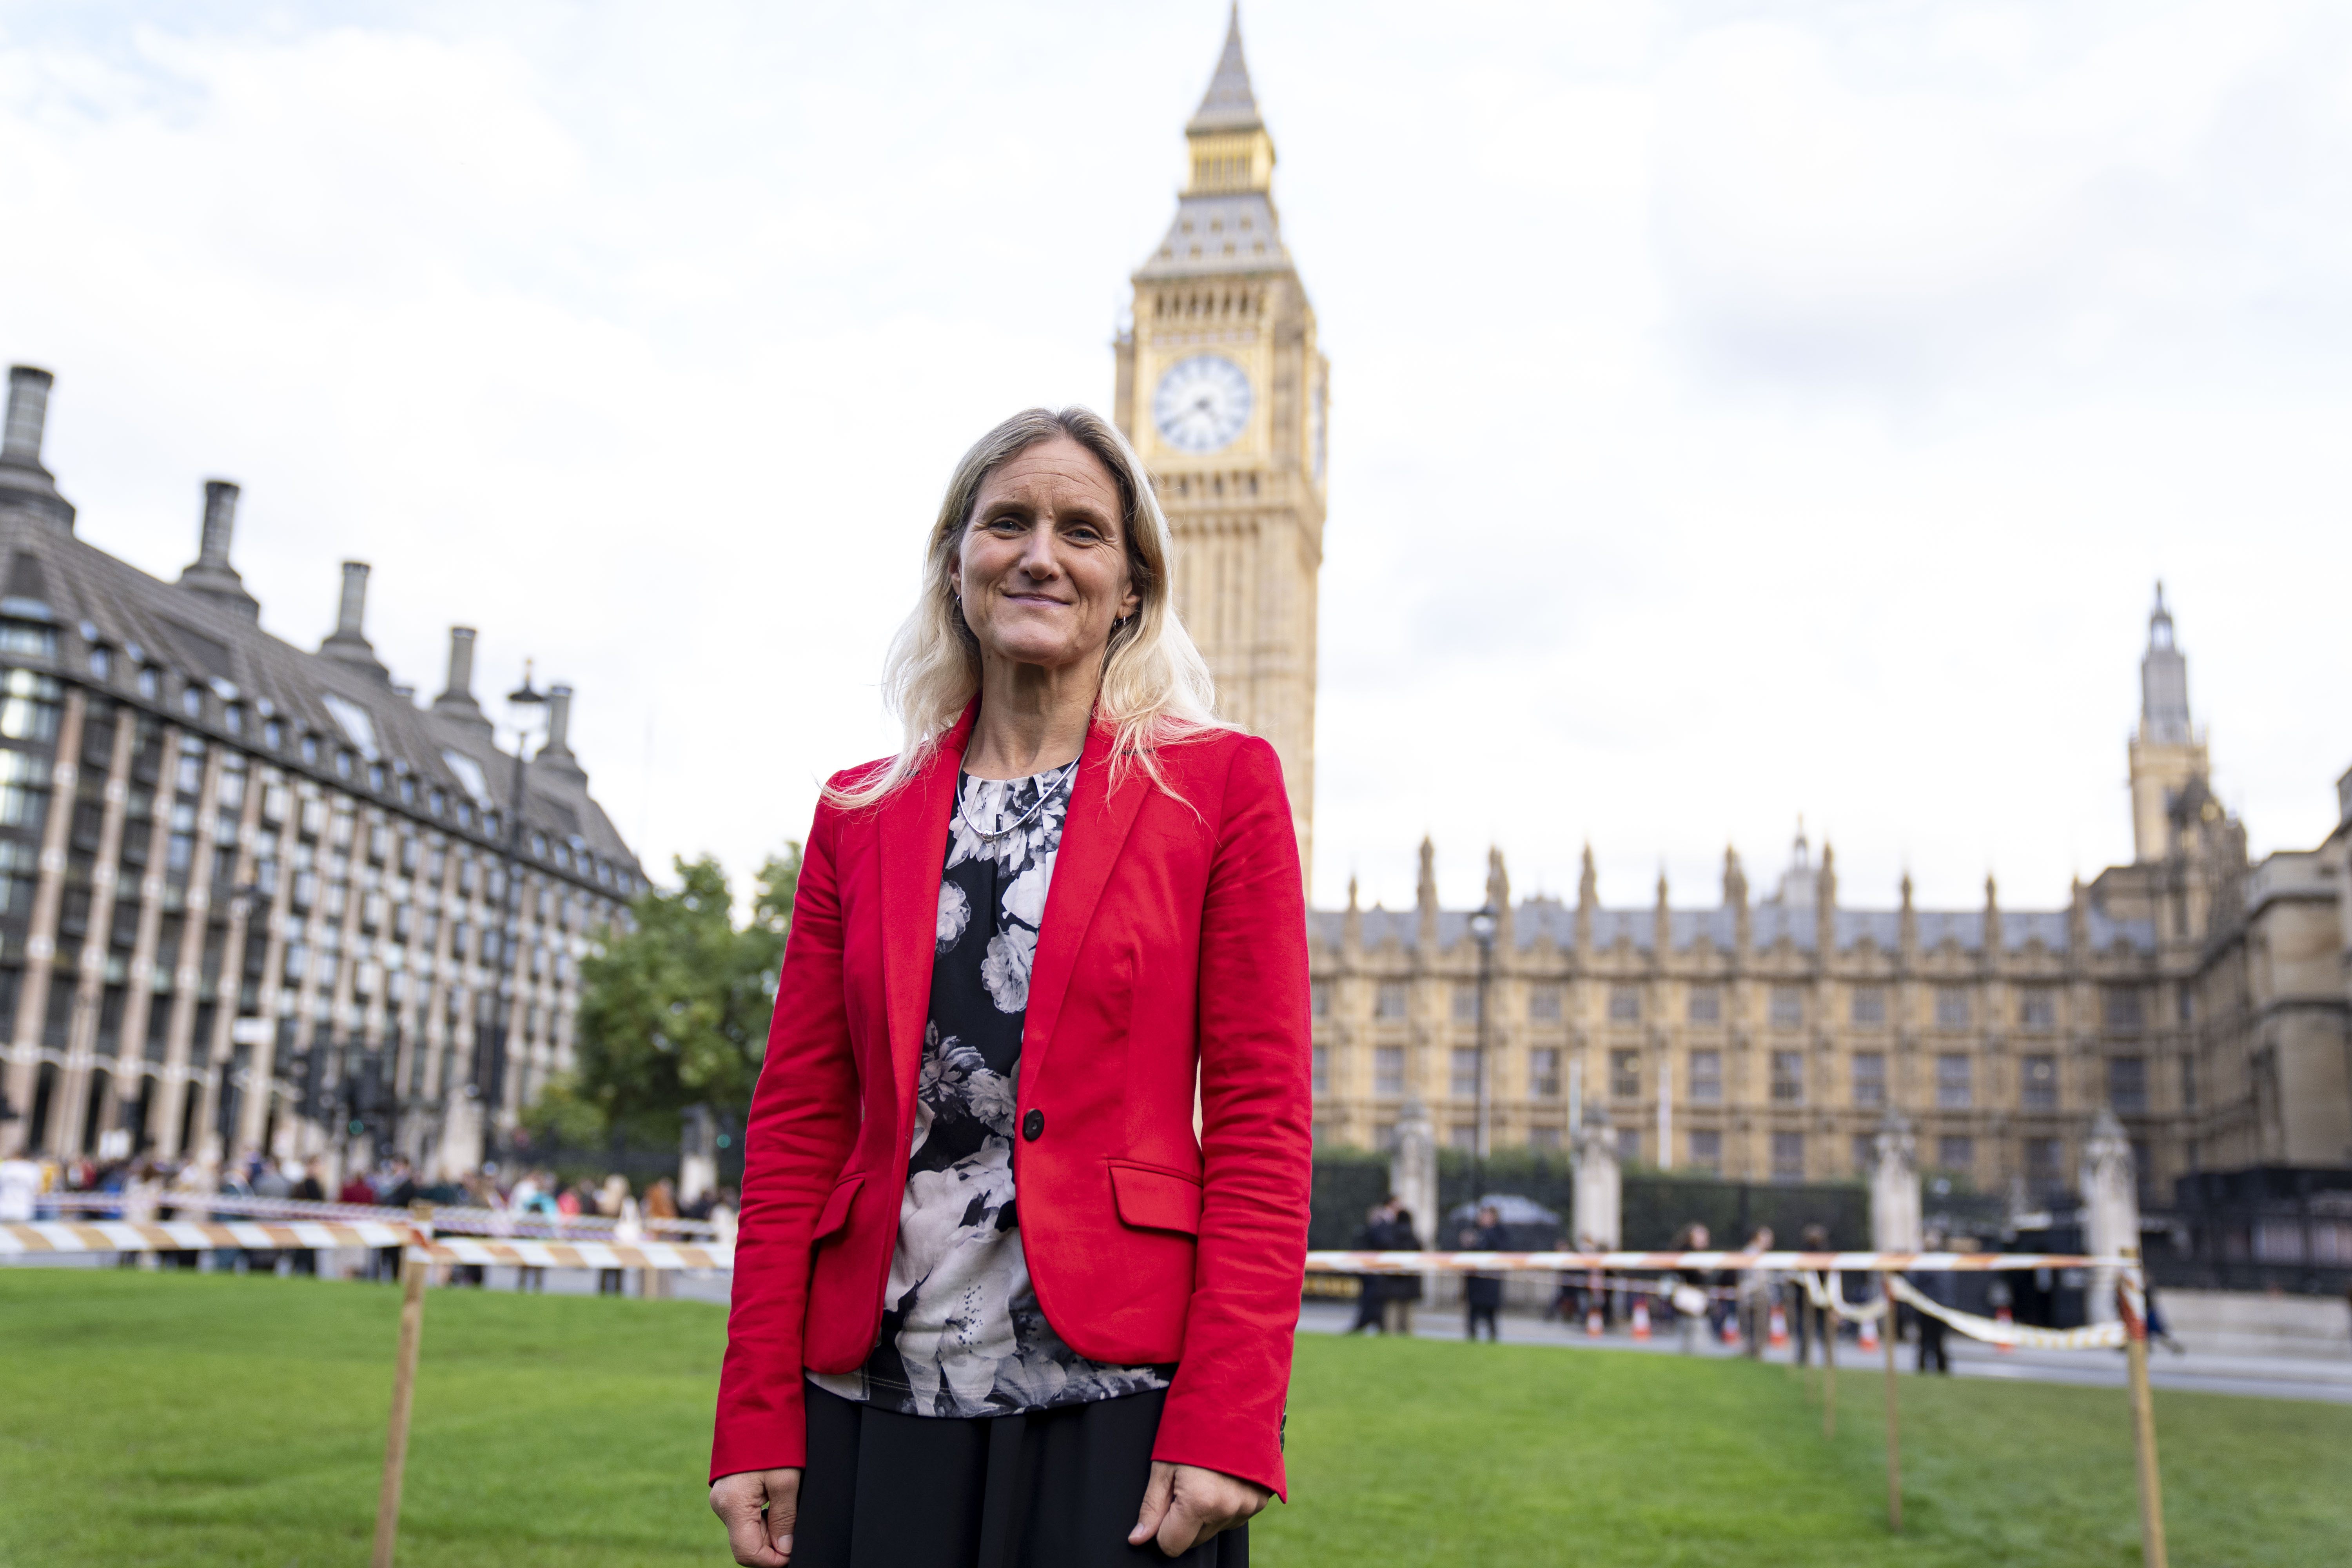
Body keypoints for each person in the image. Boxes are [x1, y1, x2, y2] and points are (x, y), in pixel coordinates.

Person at [709, 407, 1311, 1568]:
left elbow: (1261, 1124)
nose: (1041, 552)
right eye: (1008, 522)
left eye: (1082, 529)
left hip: (1114, 1400)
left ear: (1129, 585)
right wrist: (751, 1416)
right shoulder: (856, 813)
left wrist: (1231, 1414)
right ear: (955, 561)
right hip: (868, 1391)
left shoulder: (1219, 787)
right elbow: (793, 1130)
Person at [1347, 1197, 1401, 1334]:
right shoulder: (1384, 1224)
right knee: (1372, 1299)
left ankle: (1374, 1325)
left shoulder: (1384, 1223)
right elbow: (1383, 1242)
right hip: (1373, 1270)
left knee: (1374, 1301)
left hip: (1375, 1270)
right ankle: (1370, 1325)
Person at [1461, 1203, 1507, 1342]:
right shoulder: (1474, 1231)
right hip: (1475, 1279)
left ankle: (1493, 1338)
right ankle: (1472, 1338)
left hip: (1491, 1279)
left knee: (1491, 1313)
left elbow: (1504, 1250)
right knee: (1473, 1312)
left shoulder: (1500, 1233)